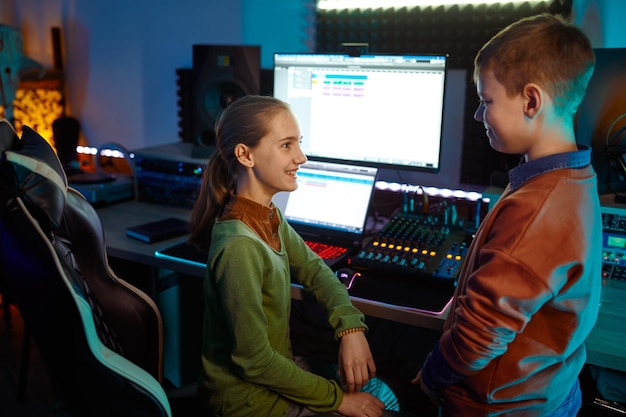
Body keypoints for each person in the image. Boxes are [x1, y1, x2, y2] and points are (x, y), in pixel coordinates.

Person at [412, 13, 602, 417]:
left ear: (531, 100)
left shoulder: (539, 208)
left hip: (502, 407)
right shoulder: (572, 177)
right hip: (546, 390)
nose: (480, 115)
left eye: (487, 101)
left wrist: (430, 377)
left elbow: (478, 336)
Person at [188, 95, 406, 417]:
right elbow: (255, 361)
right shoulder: (239, 247)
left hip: (273, 380)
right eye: (287, 145)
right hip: (251, 404)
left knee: (381, 392)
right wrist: (339, 400)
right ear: (245, 155)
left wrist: (350, 328)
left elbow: (315, 270)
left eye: (298, 143)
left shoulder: (268, 214)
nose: (301, 157)